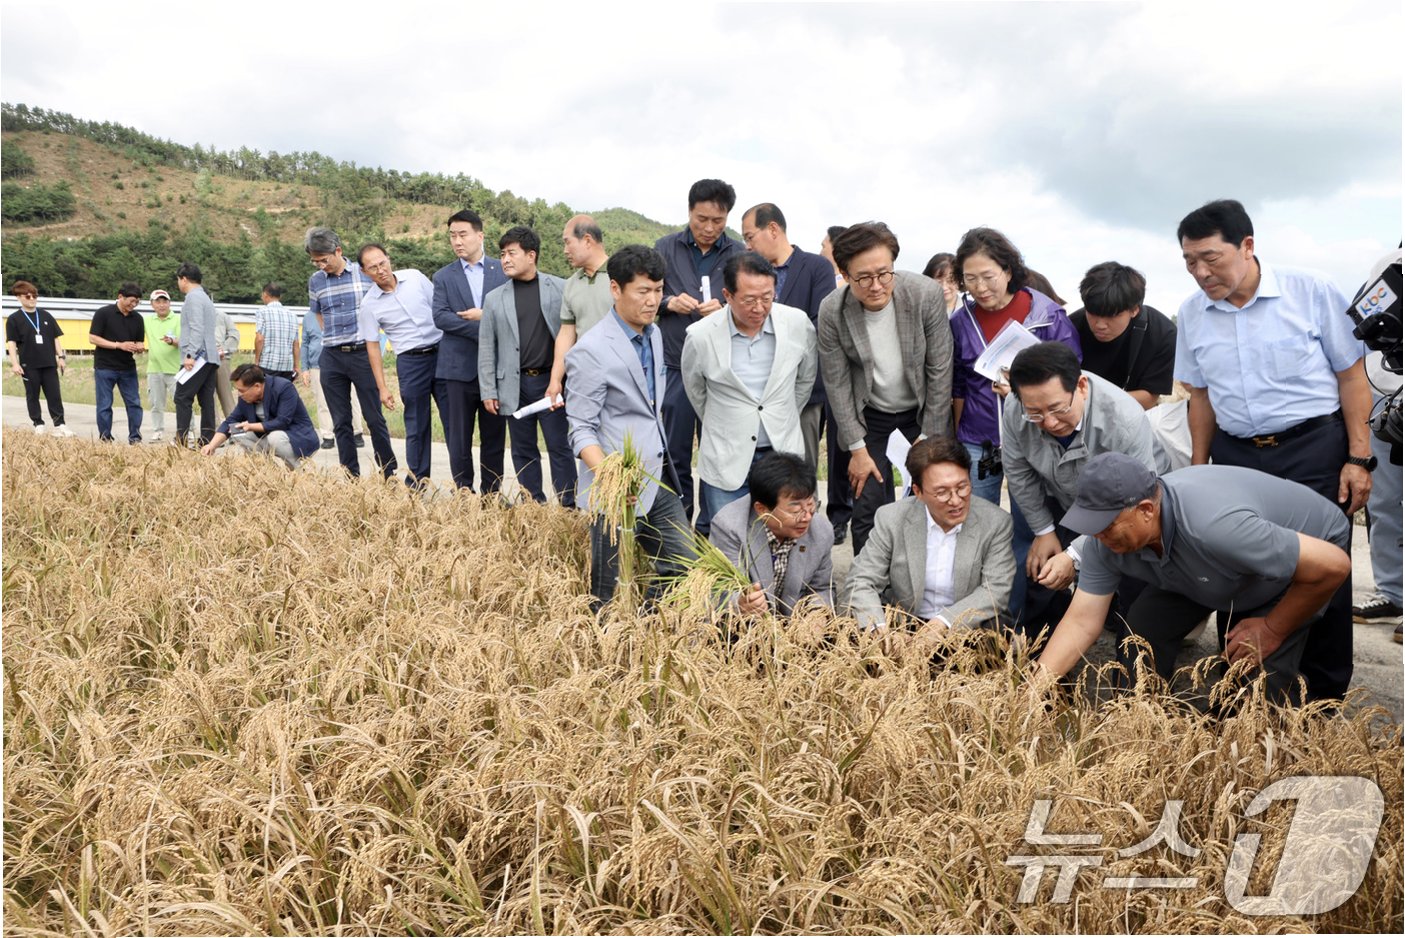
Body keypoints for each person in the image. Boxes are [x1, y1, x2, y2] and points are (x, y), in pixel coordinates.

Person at [1174, 198, 1370, 701]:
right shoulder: (1193, 314)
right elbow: (1200, 398)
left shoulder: (1311, 291)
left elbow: (1352, 377)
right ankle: (1242, 691)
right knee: (1238, 564)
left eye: (1210, 258)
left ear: (1247, 246)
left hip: (1312, 447)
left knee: (1325, 566)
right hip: (1237, 455)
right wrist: (1198, 472)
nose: (1200, 272)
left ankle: (1322, 697)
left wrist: (1358, 457)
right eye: (1190, 262)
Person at [1034, 453, 1352, 706]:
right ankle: (1135, 723)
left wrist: (1272, 628)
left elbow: (1334, 566)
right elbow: (1081, 622)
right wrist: (1030, 695)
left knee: (1256, 675)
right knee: (1141, 632)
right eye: (1091, 526)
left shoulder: (1215, 527)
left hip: (1298, 561)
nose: (1098, 536)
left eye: (1106, 526)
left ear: (1146, 510)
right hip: (1206, 566)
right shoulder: (1104, 541)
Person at [949, 227, 1081, 618]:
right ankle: (972, 613)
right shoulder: (961, 321)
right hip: (978, 439)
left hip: (1034, 437)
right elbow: (958, 385)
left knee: (1032, 526)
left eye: (988, 276)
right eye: (970, 279)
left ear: (1008, 270)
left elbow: (1072, 375)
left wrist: (1022, 394)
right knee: (973, 524)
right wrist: (956, 437)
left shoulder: (1047, 316)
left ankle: (1022, 616)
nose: (980, 287)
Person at [566, 245, 697, 605]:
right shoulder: (591, 350)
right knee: (608, 589)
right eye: (643, 291)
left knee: (683, 563)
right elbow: (580, 428)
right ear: (615, 289)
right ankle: (605, 637)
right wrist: (612, 478)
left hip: (657, 478)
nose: (653, 301)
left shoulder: (654, 334)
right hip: (615, 491)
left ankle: (645, 623)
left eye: (658, 290)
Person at [1003, 341, 1158, 633]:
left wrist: (1074, 555)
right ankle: (1041, 650)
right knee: (1041, 567)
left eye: (1058, 408)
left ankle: (1131, 647)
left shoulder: (1124, 419)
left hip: (1123, 503)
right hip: (1056, 493)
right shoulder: (1016, 408)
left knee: (1133, 576)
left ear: (1082, 387)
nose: (1050, 422)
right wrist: (1044, 531)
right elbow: (1018, 471)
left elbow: (1135, 501)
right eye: (1035, 413)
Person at [817, 221, 953, 554]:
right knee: (867, 503)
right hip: (871, 414)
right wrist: (857, 449)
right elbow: (837, 384)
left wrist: (929, 435)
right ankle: (869, 581)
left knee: (934, 496)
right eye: (864, 278)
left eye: (884, 273)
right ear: (845, 275)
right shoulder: (833, 310)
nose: (876, 286)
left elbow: (940, 369)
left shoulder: (924, 295)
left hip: (921, 410)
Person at [682, 251, 817, 525]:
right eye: (749, 300)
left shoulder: (797, 323)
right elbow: (696, 391)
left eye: (767, 297)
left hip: (782, 450)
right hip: (727, 455)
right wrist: (728, 420)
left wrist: (783, 412)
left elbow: (805, 379)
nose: (759, 308)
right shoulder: (700, 335)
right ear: (727, 295)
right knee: (729, 536)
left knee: (784, 532)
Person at [846, 437, 1015, 646]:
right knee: (856, 623)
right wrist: (880, 632)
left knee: (997, 628)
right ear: (918, 492)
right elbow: (861, 579)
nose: (956, 500)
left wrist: (943, 622)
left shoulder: (995, 522)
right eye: (942, 492)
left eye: (962, 487)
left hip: (962, 625)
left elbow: (995, 590)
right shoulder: (891, 518)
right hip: (903, 625)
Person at [655, 178, 741, 528]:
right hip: (676, 364)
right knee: (674, 452)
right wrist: (668, 302)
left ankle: (711, 527)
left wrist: (726, 309)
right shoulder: (665, 248)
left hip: (721, 370)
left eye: (717, 221)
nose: (708, 228)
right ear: (689, 212)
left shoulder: (739, 254)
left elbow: (751, 305)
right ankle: (676, 526)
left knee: (717, 452)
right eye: (701, 219)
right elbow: (647, 294)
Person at [479, 226, 576, 506]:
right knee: (522, 450)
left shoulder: (560, 288)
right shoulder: (494, 298)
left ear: (531, 255)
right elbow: (487, 347)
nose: (505, 260)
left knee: (559, 447)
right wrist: (489, 389)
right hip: (514, 385)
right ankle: (533, 505)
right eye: (502, 254)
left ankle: (568, 506)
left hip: (551, 383)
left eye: (512, 253)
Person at [740, 203, 838, 472]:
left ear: (773, 229)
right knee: (759, 473)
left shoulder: (817, 267)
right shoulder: (750, 274)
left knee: (799, 472)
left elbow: (820, 326)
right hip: (756, 393)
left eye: (750, 237)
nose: (747, 246)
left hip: (802, 391)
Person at [306, 226, 397, 479]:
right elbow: (319, 314)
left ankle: (389, 472)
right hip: (332, 356)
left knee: (374, 418)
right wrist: (334, 337)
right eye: (315, 261)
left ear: (338, 251)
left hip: (363, 354)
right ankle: (351, 475)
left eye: (324, 260)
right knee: (341, 421)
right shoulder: (315, 281)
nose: (320, 265)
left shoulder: (364, 272)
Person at [431, 209, 508, 492]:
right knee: (458, 438)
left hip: (495, 371)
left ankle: (491, 494)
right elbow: (441, 317)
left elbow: (511, 313)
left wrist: (483, 317)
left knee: (494, 437)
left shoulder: (503, 271)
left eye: (463, 235)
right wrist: (486, 327)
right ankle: (463, 491)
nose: (457, 241)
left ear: (480, 235)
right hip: (456, 371)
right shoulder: (443, 276)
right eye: (452, 236)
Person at [709, 452, 835, 616]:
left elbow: (822, 588)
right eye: (795, 511)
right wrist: (739, 603)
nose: (807, 517)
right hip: (746, 625)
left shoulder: (821, 531)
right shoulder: (729, 528)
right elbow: (719, 590)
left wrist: (816, 613)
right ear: (762, 509)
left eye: (810, 505)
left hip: (796, 624)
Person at [358, 244, 441, 487]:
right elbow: (373, 346)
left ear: (389, 259)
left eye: (382, 263)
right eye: (373, 268)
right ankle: (417, 481)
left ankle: (463, 484)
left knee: (454, 420)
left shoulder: (415, 277)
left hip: (443, 353)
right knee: (416, 424)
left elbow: (440, 308)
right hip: (411, 362)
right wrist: (382, 388)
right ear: (364, 272)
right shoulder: (369, 305)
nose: (380, 270)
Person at [1069, 262, 1176, 410]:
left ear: (1134, 310)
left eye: (1111, 315)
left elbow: (1148, 397)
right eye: (1092, 313)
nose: (1100, 325)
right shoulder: (1069, 329)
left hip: (1131, 414)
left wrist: (1092, 401)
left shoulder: (1162, 333)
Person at [548, 215, 613, 408]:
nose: (565, 250)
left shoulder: (622, 276)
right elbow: (567, 333)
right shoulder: (571, 284)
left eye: (568, 242)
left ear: (587, 240)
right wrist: (555, 379)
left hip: (619, 378)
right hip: (583, 380)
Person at [199, 364, 318, 469]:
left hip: (297, 438)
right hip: (269, 436)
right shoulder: (245, 398)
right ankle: (266, 470)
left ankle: (297, 471)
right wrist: (211, 446)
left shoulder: (284, 388)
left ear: (257, 386)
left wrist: (251, 426)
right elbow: (230, 421)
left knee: (275, 438)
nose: (239, 394)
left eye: (242, 390)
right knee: (237, 432)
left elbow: (282, 422)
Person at [7, 280, 71, 436]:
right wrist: (15, 363)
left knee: (54, 395)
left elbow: (55, 338)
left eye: (35, 296)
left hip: (49, 363)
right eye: (28, 296)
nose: (32, 299)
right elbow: (12, 343)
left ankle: (60, 424)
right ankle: (38, 423)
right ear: (19, 297)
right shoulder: (14, 319)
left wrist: (61, 357)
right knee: (32, 395)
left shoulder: (45, 315)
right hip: (29, 365)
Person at [87, 282, 147, 444]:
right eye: (131, 301)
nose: (133, 305)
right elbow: (93, 338)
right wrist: (118, 345)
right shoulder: (103, 313)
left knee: (134, 403)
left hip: (128, 367)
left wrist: (139, 347)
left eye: (137, 302)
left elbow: (139, 341)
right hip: (105, 366)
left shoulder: (138, 318)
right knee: (105, 404)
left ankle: (135, 437)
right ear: (121, 296)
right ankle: (105, 438)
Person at [172, 263, 221, 447]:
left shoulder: (192, 298)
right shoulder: (205, 298)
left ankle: (182, 441)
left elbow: (196, 328)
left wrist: (190, 355)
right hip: (210, 356)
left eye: (178, 279)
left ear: (184, 279)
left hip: (198, 356)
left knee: (182, 397)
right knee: (206, 400)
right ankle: (207, 441)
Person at [299, 304, 360, 450]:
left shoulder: (340, 310)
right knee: (322, 401)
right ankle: (327, 435)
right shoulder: (308, 317)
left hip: (343, 362)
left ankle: (356, 432)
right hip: (316, 364)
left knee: (352, 398)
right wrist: (305, 369)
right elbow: (305, 343)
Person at [141, 289, 181, 442]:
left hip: (175, 369)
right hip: (154, 369)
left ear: (170, 303)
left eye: (165, 301)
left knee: (181, 402)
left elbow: (184, 341)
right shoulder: (147, 321)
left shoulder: (178, 319)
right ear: (152, 304)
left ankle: (187, 430)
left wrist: (172, 341)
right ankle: (158, 430)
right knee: (156, 403)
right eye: (158, 302)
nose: (162, 305)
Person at [254, 282, 300, 380]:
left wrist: (256, 361)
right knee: (283, 389)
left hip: (267, 363)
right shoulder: (292, 315)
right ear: (280, 296)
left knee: (268, 389)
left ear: (265, 295)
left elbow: (259, 339)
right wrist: (296, 366)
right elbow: (296, 343)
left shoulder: (262, 312)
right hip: (287, 366)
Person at [213, 305, 242, 419]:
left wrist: (223, 348)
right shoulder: (195, 316)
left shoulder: (221, 315)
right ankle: (213, 427)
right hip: (202, 360)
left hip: (222, 359)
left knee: (226, 394)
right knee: (208, 397)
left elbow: (234, 335)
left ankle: (234, 425)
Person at [922, 252, 960, 318]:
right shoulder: (919, 310)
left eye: (950, 281)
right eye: (938, 282)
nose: (944, 287)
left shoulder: (972, 310)